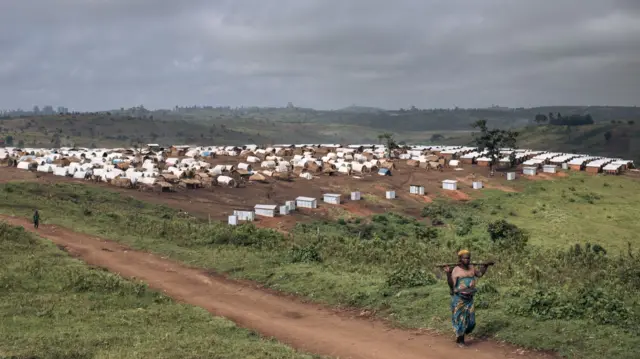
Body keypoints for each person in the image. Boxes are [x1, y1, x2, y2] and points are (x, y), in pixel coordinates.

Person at [443, 250, 493, 347]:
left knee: (471, 322)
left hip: (469, 298)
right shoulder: (456, 270)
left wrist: (485, 266)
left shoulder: (471, 268)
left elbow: (479, 274)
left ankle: (460, 337)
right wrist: (448, 274)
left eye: (468, 258)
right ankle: (461, 340)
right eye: (465, 258)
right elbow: (451, 285)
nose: (467, 260)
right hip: (459, 299)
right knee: (460, 320)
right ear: (460, 259)